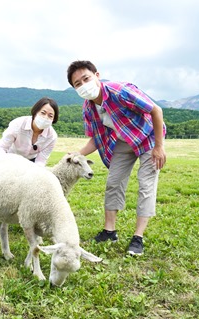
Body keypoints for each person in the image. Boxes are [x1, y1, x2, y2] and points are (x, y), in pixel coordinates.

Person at [66, 60, 167, 256]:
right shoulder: (88, 108)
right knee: (113, 182)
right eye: (77, 84)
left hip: (148, 137)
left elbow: (156, 110)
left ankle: (138, 237)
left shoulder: (120, 91)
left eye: (86, 78)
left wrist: (159, 147)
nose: (83, 85)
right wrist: (75, 155)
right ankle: (109, 231)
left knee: (146, 184)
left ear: (97, 75)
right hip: (123, 141)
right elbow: (95, 140)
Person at [0, 97, 59, 166]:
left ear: (54, 119)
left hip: (31, 162)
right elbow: (2, 147)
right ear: (35, 112)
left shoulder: (52, 137)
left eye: (50, 116)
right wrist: (2, 163)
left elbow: (41, 160)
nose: (45, 117)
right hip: (11, 158)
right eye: (43, 113)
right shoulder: (18, 124)